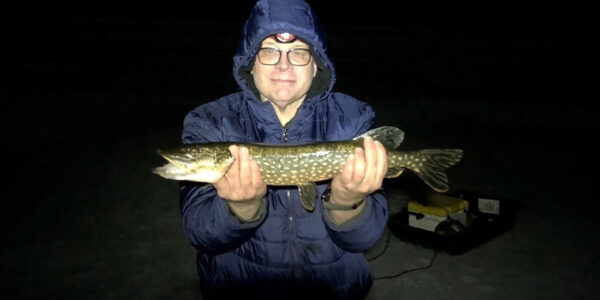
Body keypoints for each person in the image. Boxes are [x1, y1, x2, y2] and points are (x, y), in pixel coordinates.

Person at [179, 0, 388, 299]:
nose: (283, 65)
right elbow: (200, 233)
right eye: (269, 51)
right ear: (250, 62)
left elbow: (364, 239)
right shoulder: (209, 122)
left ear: (317, 66)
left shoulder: (354, 118)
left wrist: (348, 202)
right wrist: (240, 209)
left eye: (299, 53)